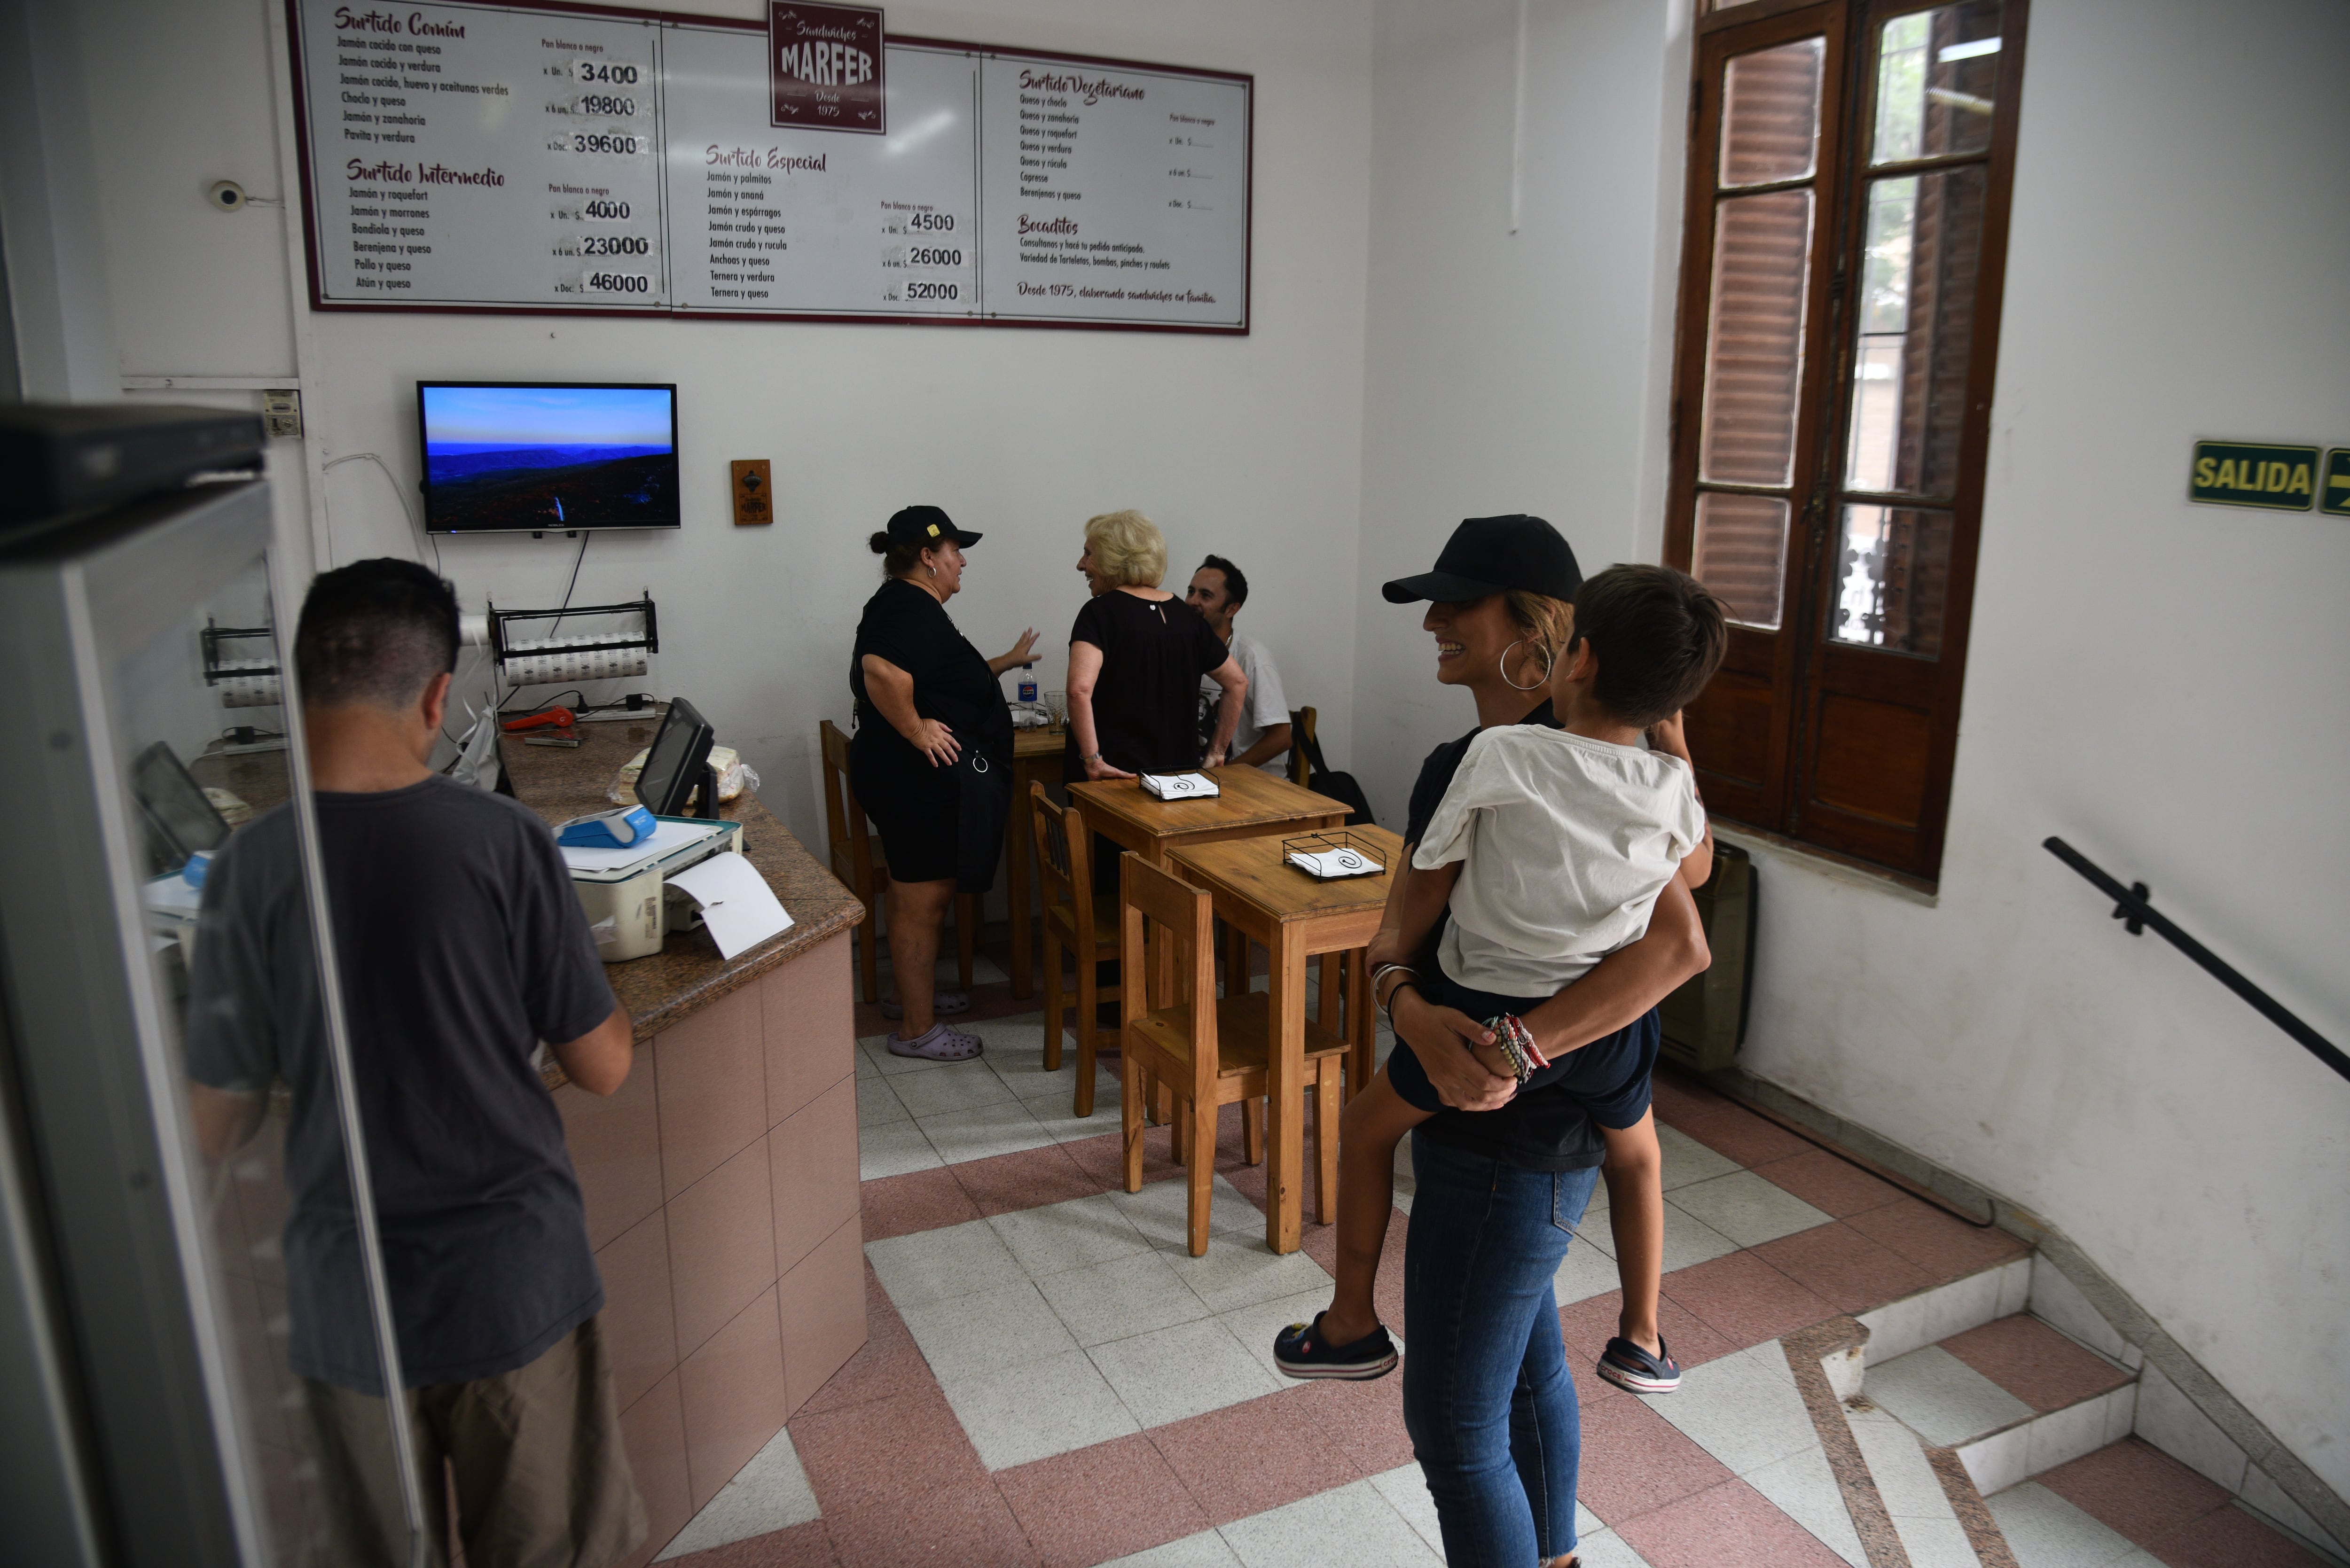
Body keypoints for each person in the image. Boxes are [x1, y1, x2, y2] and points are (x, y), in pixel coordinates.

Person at [184, 558, 647, 1568]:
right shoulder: (502, 842)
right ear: (440, 697)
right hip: (508, 1280)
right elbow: (602, 1064)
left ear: (299, 684)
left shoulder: (247, 869)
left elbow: (212, 1120)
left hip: (344, 1296)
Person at [1284, 515, 1714, 1568]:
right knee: (1526, 1369)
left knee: (1454, 1427)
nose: (1430, 621)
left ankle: (1348, 1320)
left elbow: (1675, 941)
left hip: (1510, 1122)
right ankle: (1558, 1549)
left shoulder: (1498, 760)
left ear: (1550, 636)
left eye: (1454, 602)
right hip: (1544, 1093)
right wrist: (1409, 1003)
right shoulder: (1641, 774)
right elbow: (1685, 881)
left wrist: (1502, 1042)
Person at [851, 505, 1038, 1060]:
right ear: (928, 558)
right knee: (920, 900)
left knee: (913, 892)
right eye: (956, 552)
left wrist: (1006, 660)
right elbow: (881, 671)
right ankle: (916, 1028)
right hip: (913, 783)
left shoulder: (910, 606)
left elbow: (944, 674)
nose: (962, 563)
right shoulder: (907, 606)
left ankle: (913, 998)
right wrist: (915, 729)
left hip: (908, 780)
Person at [1067, 510, 1248, 796]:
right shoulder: (1186, 616)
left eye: (1088, 554)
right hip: (1182, 781)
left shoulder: (1099, 613)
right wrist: (1216, 753)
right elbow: (1237, 683)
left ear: (1115, 558)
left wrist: (1092, 761)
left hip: (1116, 783)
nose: (1081, 565)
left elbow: (1079, 690)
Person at [1185, 554, 1292, 773]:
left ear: (1232, 609)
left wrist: (1223, 774)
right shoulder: (1183, 650)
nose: (1192, 602)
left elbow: (1282, 738)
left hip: (1254, 789)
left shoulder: (1251, 657)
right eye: (1191, 591)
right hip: (1201, 781)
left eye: (1205, 595)